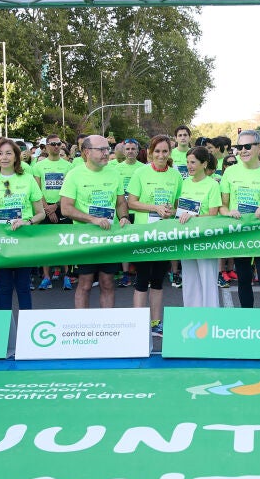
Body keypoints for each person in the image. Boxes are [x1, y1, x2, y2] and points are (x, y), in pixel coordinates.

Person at [60, 134, 129, 309]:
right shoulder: (74, 175)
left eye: (107, 149)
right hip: (85, 239)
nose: (106, 153)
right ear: (86, 152)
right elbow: (66, 208)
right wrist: (93, 219)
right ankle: (82, 323)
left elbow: (121, 203)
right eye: (101, 149)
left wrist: (124, 217)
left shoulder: (114, 173)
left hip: (109, 237)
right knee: (85, 283)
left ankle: (107, 323)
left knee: (108, 282)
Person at [220, 130, 260, 309]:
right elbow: (222, 206)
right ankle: (246, 319)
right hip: (241, 233)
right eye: (240, 147)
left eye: (248, 146)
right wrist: (228, 212)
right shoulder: (230, 172)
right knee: (243, 280)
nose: (243, 150)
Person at [0, 137, 46, 311]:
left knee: (23, 287)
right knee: (5, 288)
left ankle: (26, 325)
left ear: (16, 156)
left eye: (8, 153)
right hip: (1, 241)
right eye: (0, 154)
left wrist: (27, 221)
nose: (4, 157)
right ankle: (5, 326)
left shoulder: (28, 179)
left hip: (24, 240)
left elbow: (41, 213)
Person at [125, 135, 181, 335]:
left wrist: (171, 211)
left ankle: (156, 323)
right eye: (157, 151)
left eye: (165, 151)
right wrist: (155, 208)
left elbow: (177, 206)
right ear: (150, 153)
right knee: (142, 279)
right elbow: (131, 202)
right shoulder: (140, 172)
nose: (161, 155)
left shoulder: (176, 176)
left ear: (170, 153)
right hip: (144, 234)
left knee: (158, 280)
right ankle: (138, 324)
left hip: (164, 234)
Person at [177, 146, 222, 309]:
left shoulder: (213, 185)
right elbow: (179, 210)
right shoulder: (184, 183)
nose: (189, 166)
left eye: (193, 162)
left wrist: (194, 217)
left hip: (205, 240)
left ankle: (210, 318)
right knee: (189, 281)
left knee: (208, 281)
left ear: (204, 164)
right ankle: (192, 316)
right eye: (188, 162)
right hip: (187, 239)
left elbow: (213, 214)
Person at [32, 134, 74, 291]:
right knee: (46, 245)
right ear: (47, 146)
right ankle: (46, 277)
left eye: (58, 144)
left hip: (62, 207)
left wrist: (56, 206)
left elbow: (69, 191)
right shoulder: (38, 166)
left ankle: (67, 276)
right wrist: (47, 209)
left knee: (65, 244)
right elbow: (37, 191)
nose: (56, 146)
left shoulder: (68, 166)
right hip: (45, 208)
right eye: (53, 144)